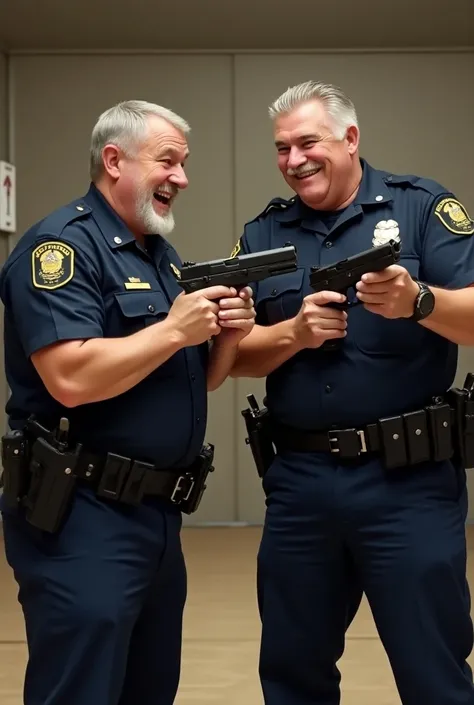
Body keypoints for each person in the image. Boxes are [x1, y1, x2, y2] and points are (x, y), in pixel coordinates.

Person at [0, 100, 255, 705]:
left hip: (157, 517)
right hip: (82, 515)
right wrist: (173, 329)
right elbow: (69, 377)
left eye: (184, 164)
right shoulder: (60, 249)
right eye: (167, 161)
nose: (182, 178)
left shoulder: (159, 256)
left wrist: (229, 337)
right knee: (82, 688)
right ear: (113, 161)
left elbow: (200, 378)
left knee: (149, 687)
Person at [230, 80, 474, 705]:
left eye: (307, 143)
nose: (293, 161)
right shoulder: (264, 234)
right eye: (281, 148)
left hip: (408, 482)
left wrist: (419, 302)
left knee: (434, 671)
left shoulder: (422, 208)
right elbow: (233, 356)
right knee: (292, 669)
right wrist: (292, 333)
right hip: (301, 485)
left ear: (350, 139)